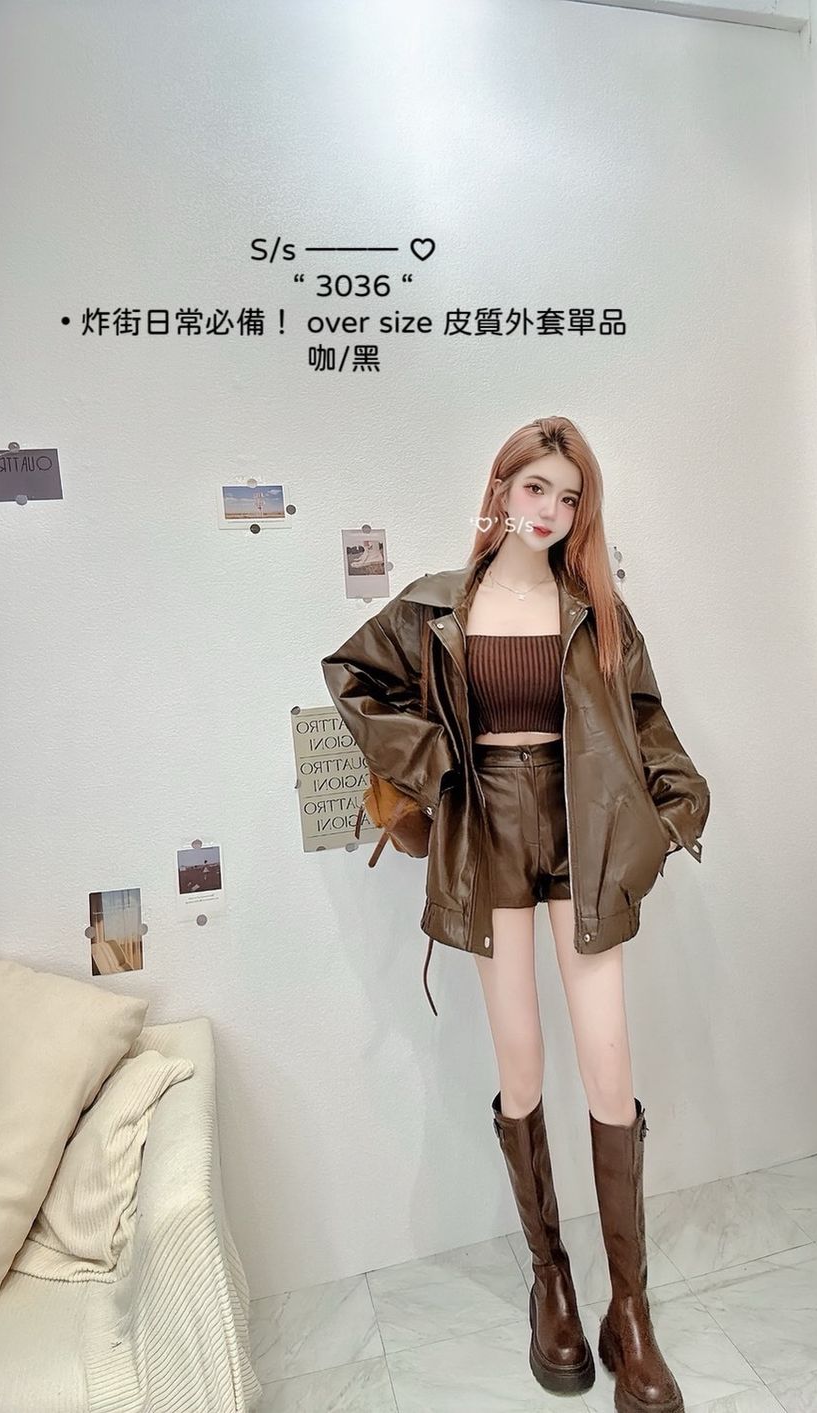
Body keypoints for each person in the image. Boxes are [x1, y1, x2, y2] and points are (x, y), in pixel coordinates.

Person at [322, 415, 709, 1413]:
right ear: (500, 488)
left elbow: (645, 720)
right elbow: (351, 677)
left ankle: (631, 1313)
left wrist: (674, 812)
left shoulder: (597, 611)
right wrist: (435, 762)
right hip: (488, 831)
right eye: (536, 487)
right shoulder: (434, 606)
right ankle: (553, 1281)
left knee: (610, 1069)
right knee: (524, 1066)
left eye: (569, 497)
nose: (550, 510)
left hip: (582, 833)